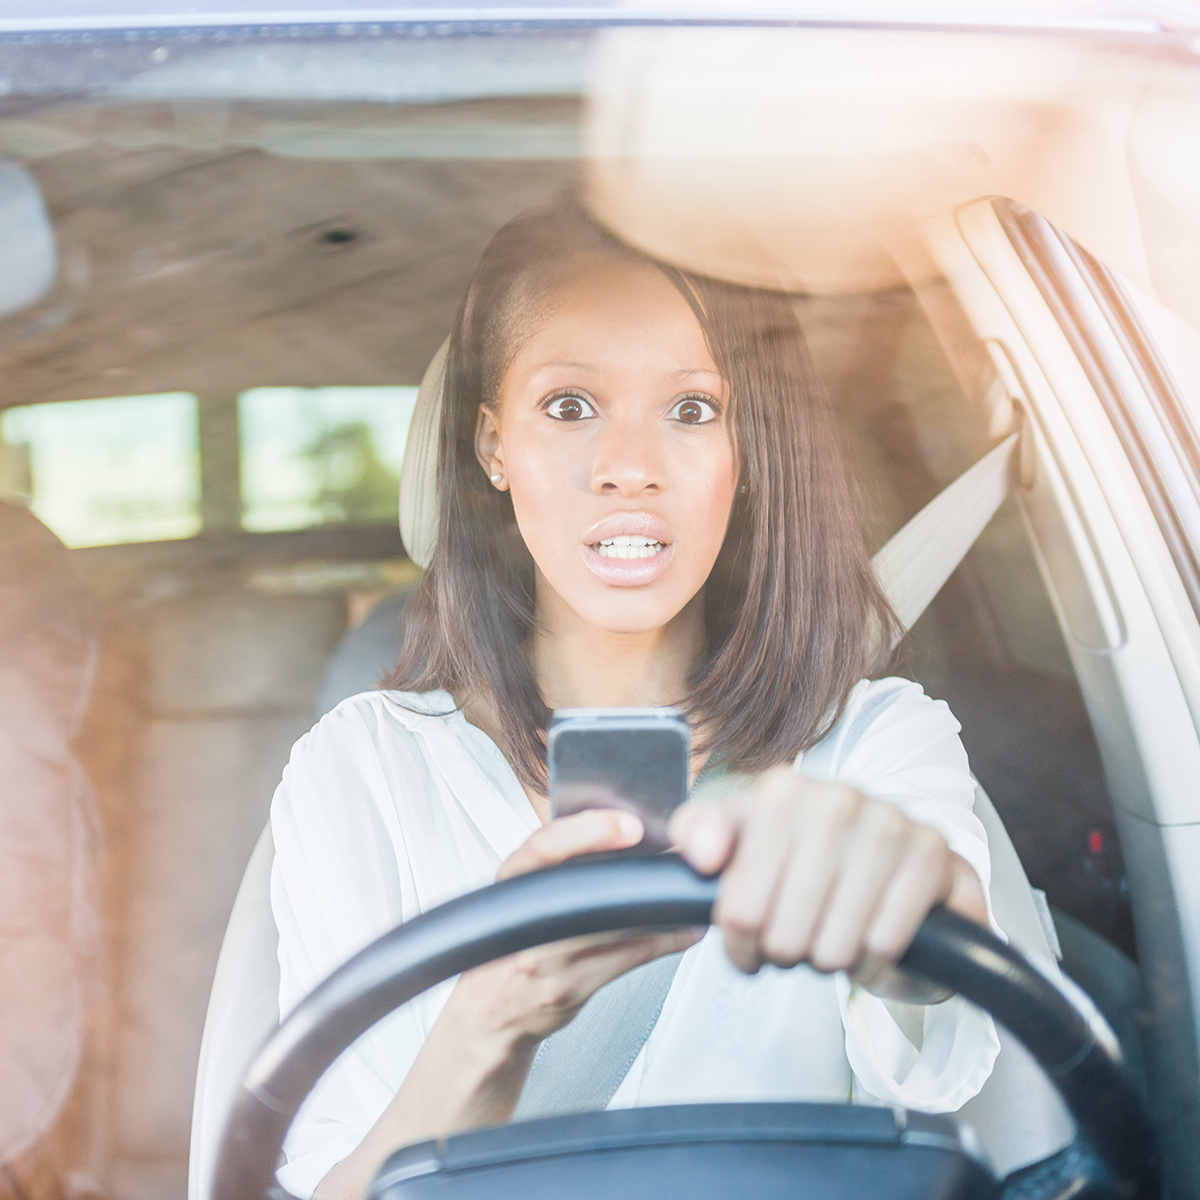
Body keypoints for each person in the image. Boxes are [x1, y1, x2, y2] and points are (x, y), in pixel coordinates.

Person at [269, 203, 1000, 1200]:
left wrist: (910, 907)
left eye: (692, 409)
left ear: (745, 455)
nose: (630, 466)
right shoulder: (361, 768)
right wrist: (497, 1010)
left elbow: (942, 984)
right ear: (494, 448)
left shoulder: (874, 739)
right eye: (570, 406)